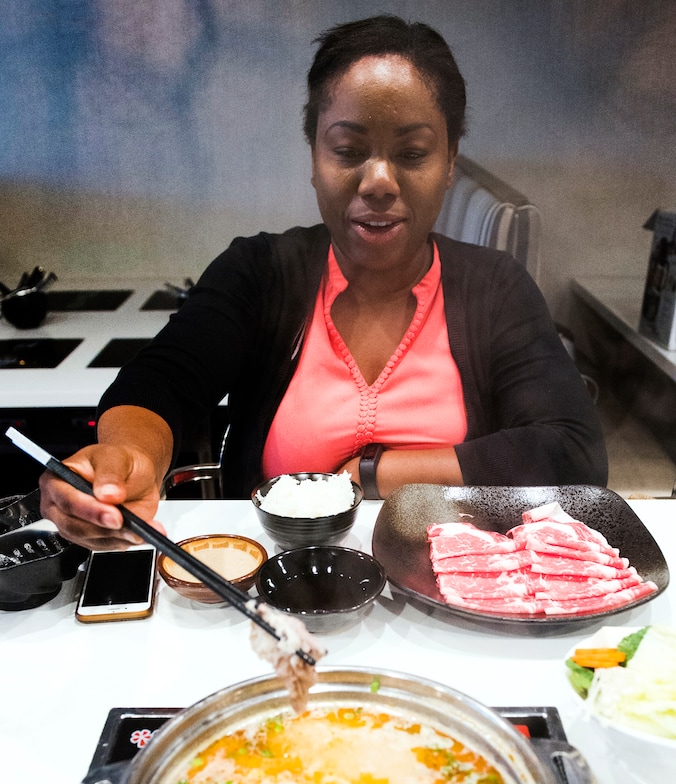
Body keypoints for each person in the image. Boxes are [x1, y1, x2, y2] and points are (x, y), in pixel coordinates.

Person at [40, 14, 608, 552]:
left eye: (412, 153)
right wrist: (125, 458)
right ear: (315, 156)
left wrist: (370, 471)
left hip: (451, 592)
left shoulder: (495, 288)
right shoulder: (261, 272)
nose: (379, 181)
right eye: (348, 150)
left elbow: (571, 451)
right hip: (280, 595)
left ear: (450, 162)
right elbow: (162, 382)